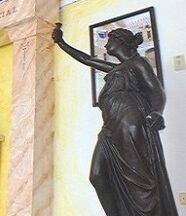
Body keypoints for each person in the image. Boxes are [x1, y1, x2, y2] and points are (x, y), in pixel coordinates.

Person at [52, 23, 177, 216]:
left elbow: (157, 91)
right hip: (109, 128)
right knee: (97, 176)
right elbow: (86, 59)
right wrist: (61, 42)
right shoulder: (117, 68)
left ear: (120, 42)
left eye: (109, 39)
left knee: (140, 182)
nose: (106, 43)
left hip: (130, 123)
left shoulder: (138, 63)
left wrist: (157, 112)